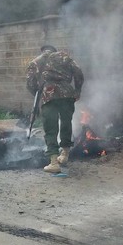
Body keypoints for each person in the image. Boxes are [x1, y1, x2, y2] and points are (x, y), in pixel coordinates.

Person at [26, 44, 85, 173]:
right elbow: (78, 73)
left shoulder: (37, 60)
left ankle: (53, 163)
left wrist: (37, 92)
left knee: (50, 128)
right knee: (66, 123)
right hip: (67, 95)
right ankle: (64, 155)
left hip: (49, 96)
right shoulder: (65, 57)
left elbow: (30, 81)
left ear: (43, 51)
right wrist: (77, 91)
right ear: (55, 51)